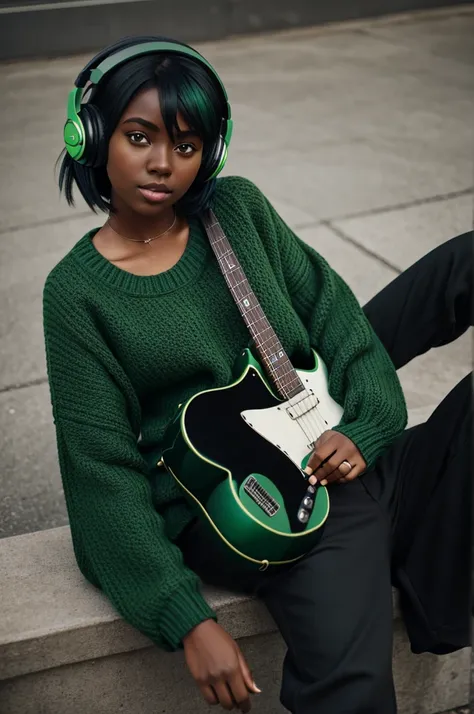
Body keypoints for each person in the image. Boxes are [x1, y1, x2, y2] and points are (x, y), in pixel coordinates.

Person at [43, 35, 472, 714]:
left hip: (310, 401)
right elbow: (102, 479)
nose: (163, 165)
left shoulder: (235, 210)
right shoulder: (78, 296)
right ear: (89, 134)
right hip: (262, 495)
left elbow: (338, 321)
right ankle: (407, 558)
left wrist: (370, 427)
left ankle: (411, 551)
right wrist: (187, 618)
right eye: (138, 136)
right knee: (353, 686)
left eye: (186, 147)